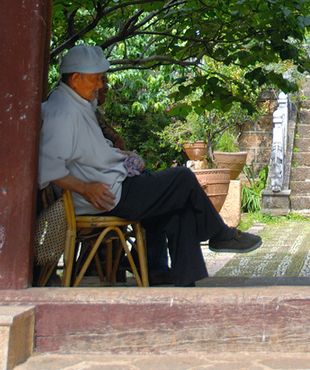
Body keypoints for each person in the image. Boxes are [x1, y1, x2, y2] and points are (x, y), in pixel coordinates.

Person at [38, 44, 262, 287]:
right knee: (183, 179)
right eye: (95, 79)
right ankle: (220, 235)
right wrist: (85, 188)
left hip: (116, 187)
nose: (100, 86)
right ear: (75, 78)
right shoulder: (62, 111)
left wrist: (116, 153)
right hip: (109, 195)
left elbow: (85, 153)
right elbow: (48, 169)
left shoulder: (75, 103)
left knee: (180, 208)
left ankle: (185, 280)